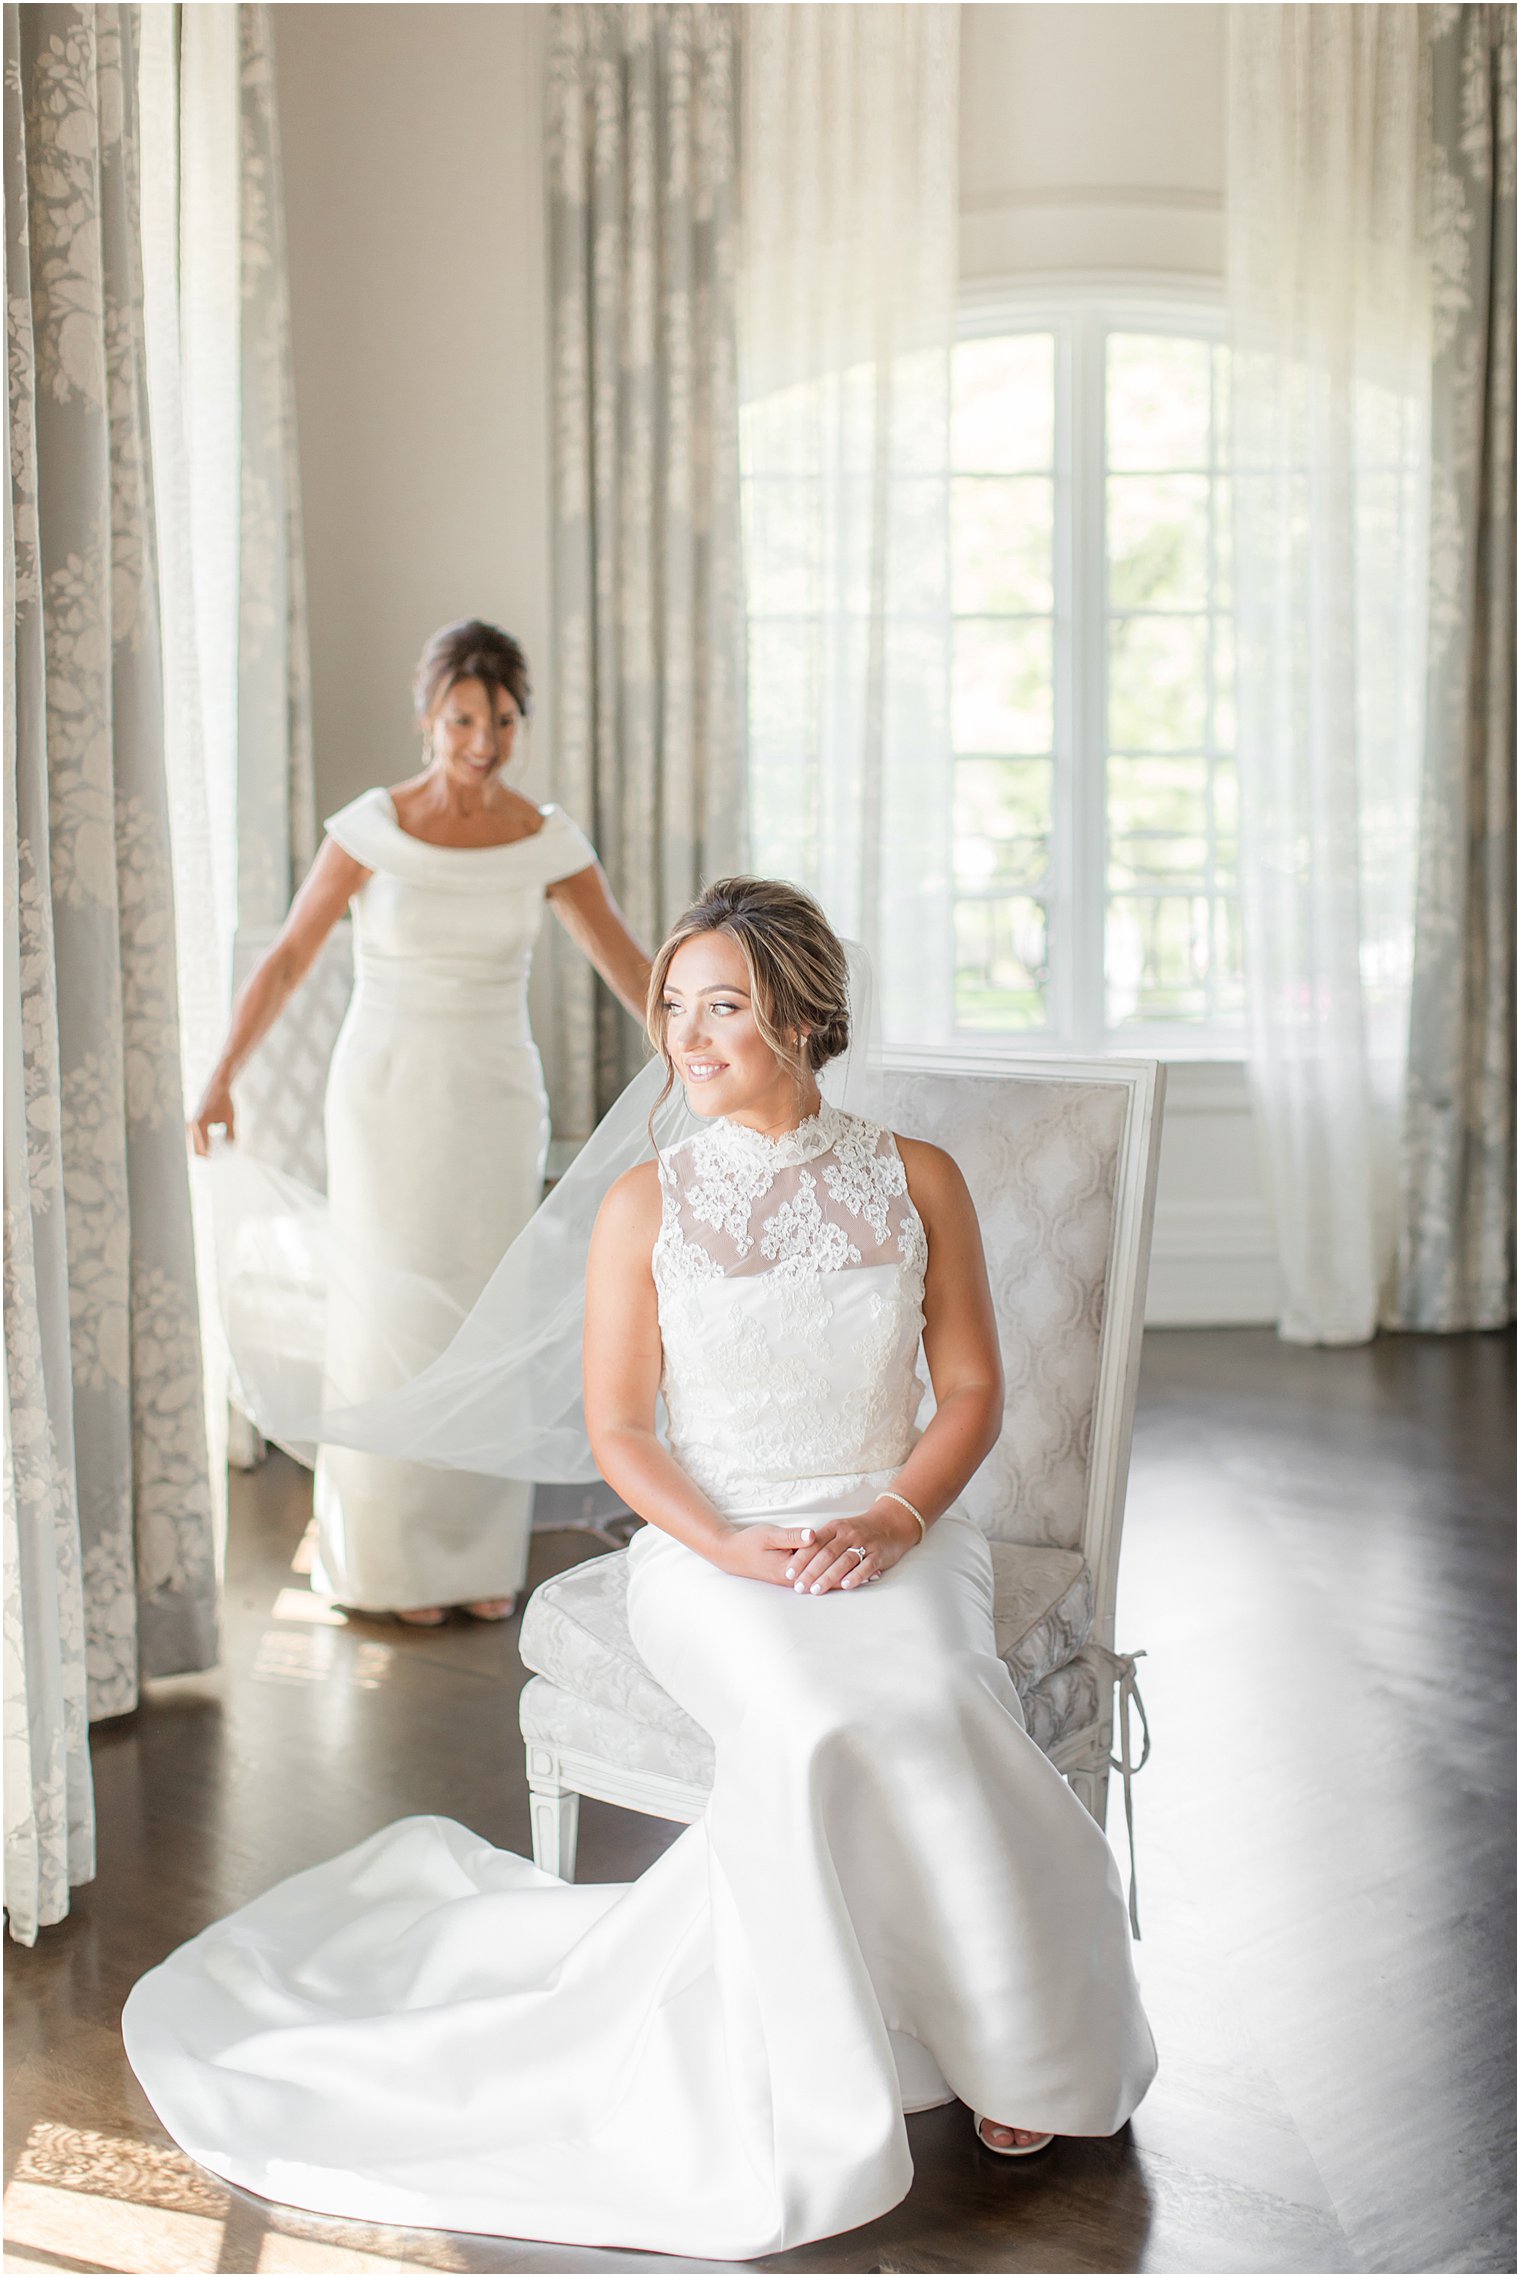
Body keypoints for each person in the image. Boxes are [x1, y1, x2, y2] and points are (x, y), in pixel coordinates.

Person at [128, 878, 1155, 2259]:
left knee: (930, 1696)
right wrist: (725, 1542)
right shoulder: (641, 1203)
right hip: (709, 1545)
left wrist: (894, 1522)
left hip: (896, 1528)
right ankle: (831, 2046)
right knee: (812, 1719)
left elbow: (970, 1387)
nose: (686, 1035)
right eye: (673, 1007)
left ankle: (1010, 2039)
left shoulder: (918, 1177)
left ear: (799, 1014)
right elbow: (620, 1429)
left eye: (721, 1005)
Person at [189, 619, 650, 1624]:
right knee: (388, 1315)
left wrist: (702, 1043)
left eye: (501, 719)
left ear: (519, 723)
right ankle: (387, 1565)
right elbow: (286, 961)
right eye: (461, 718)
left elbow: (628, 965)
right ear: (426, 718)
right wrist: (222, 1072)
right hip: (386, 1095)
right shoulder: (370, 829)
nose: (481, 739)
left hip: (492, 1097)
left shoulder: (547, 840)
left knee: (480, 1309)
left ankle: (473, 1558)